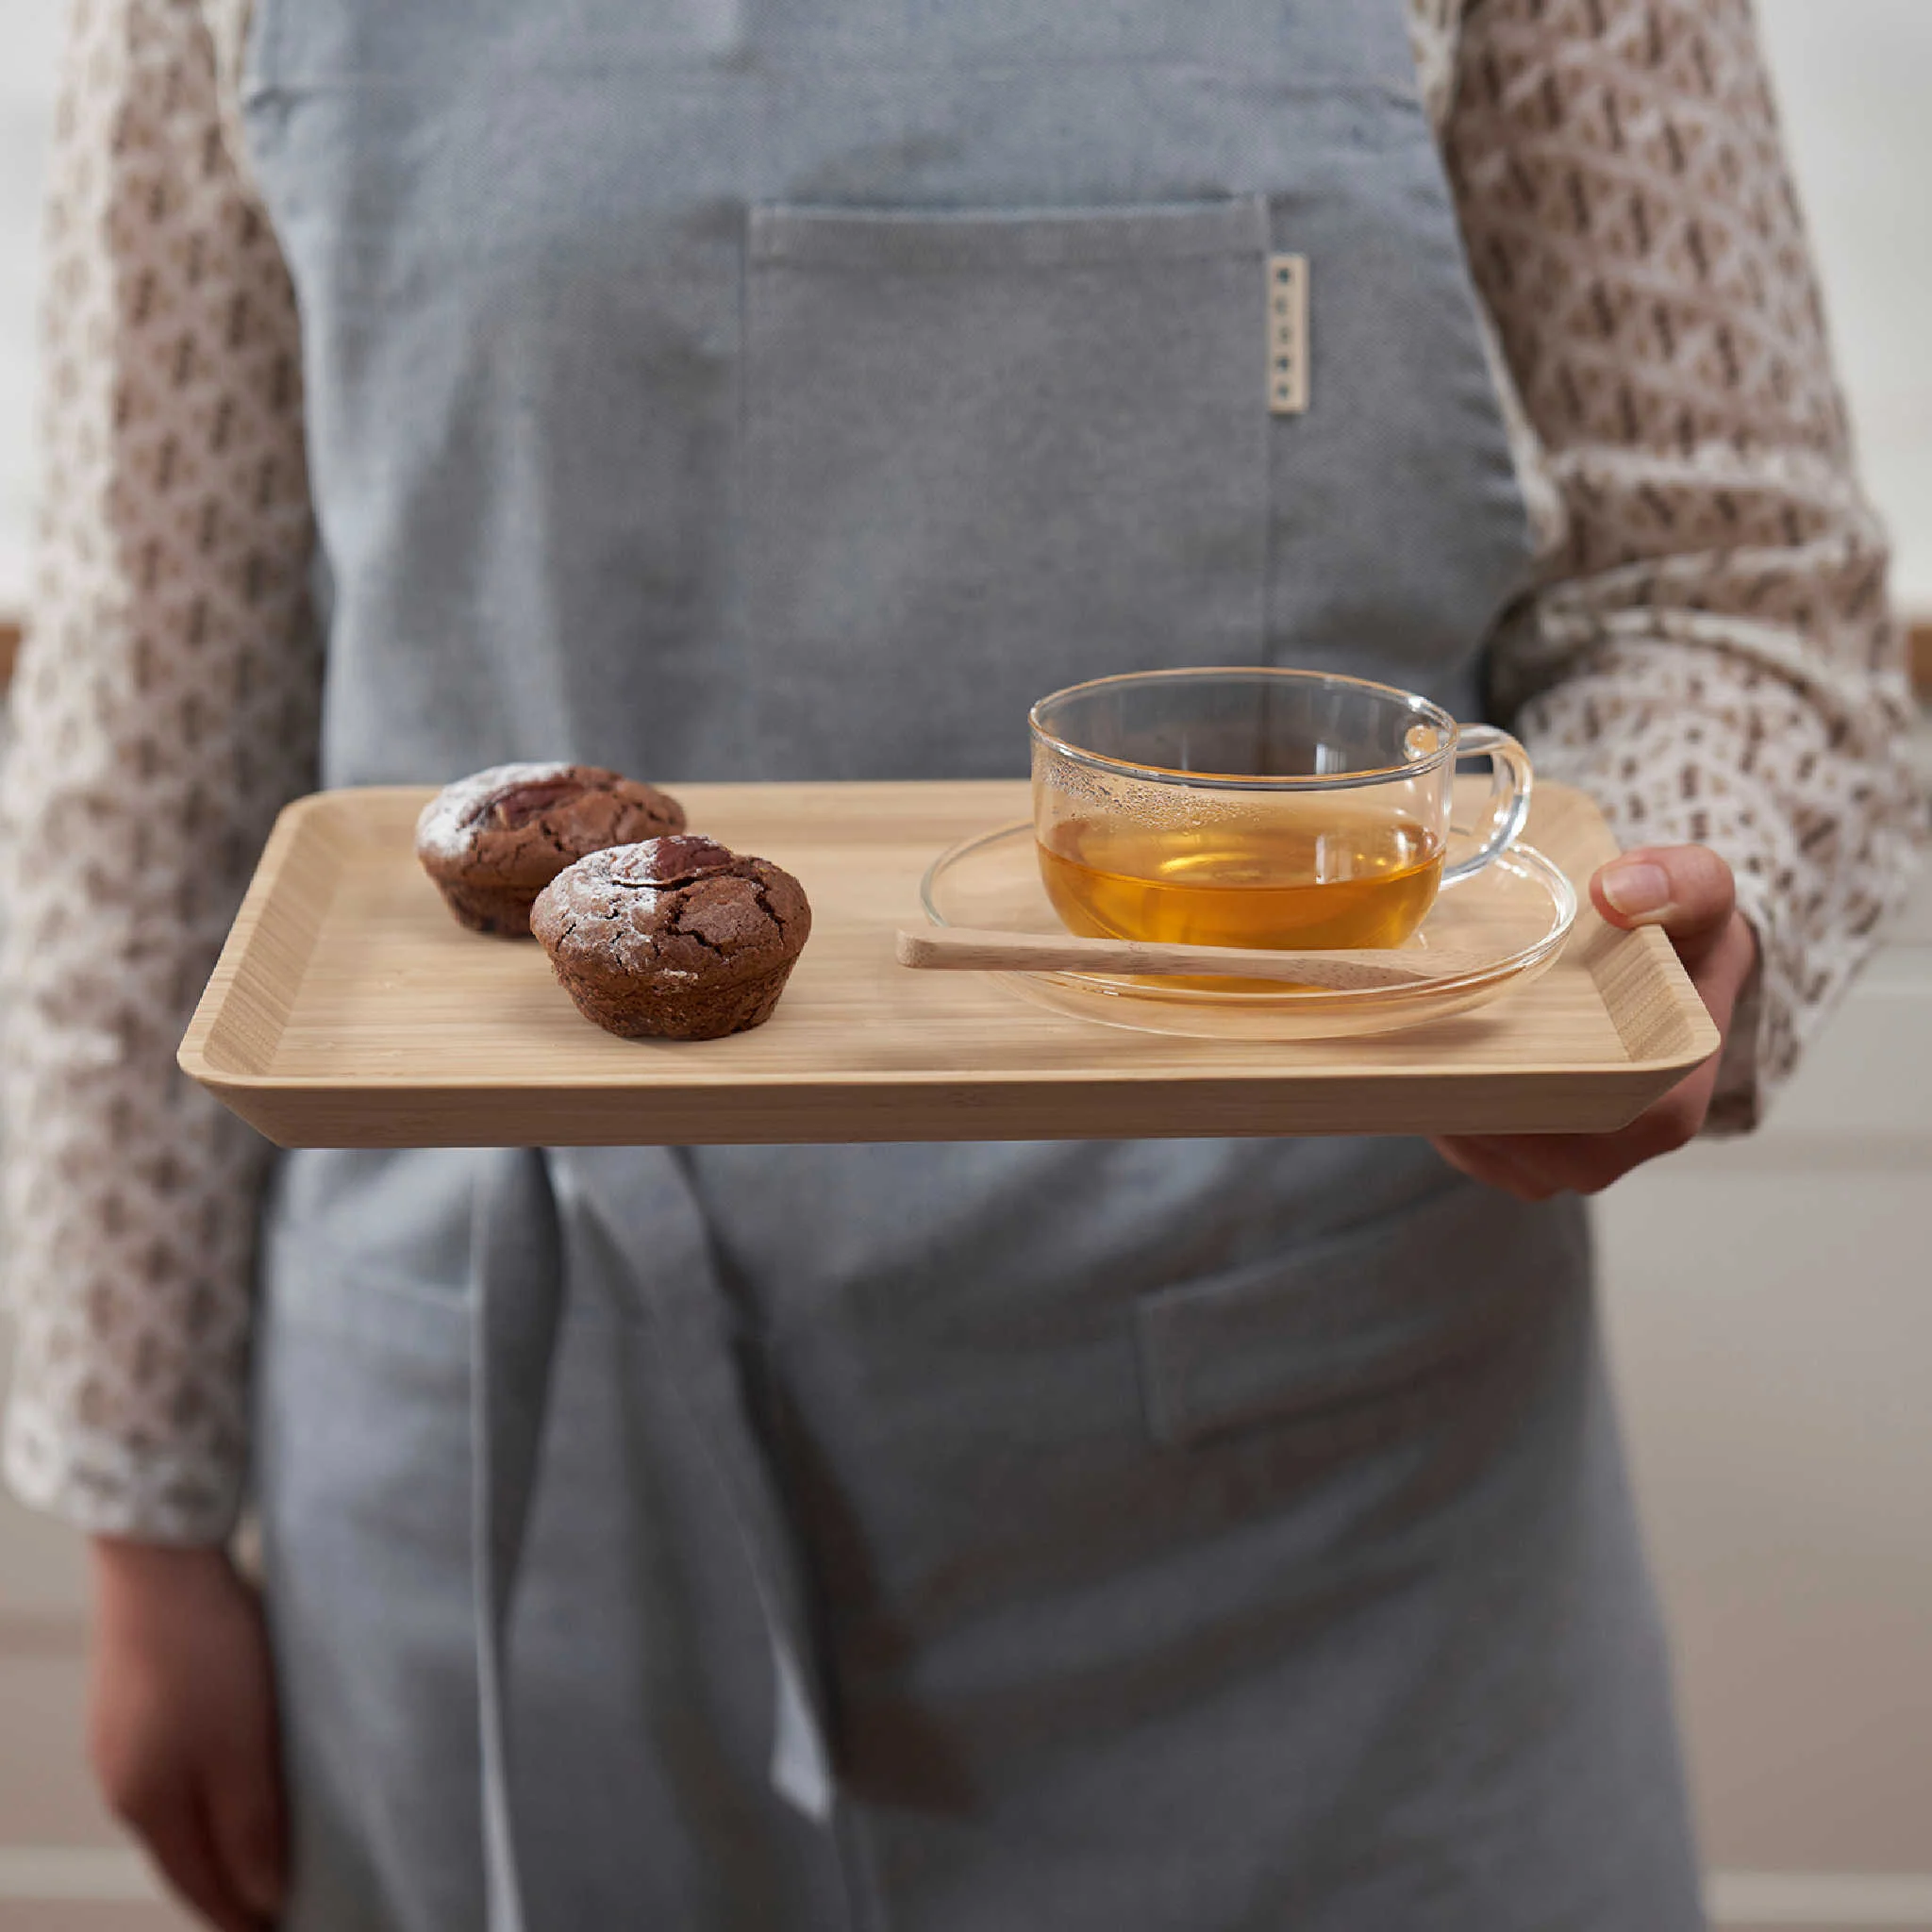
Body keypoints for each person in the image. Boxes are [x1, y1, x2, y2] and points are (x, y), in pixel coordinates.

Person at [1, 0, 1922, 1926]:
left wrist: (1645, 933)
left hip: (1323, 1532)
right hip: (511, 1509)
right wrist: (142, 1528)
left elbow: (1740, 595)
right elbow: (142, 753)